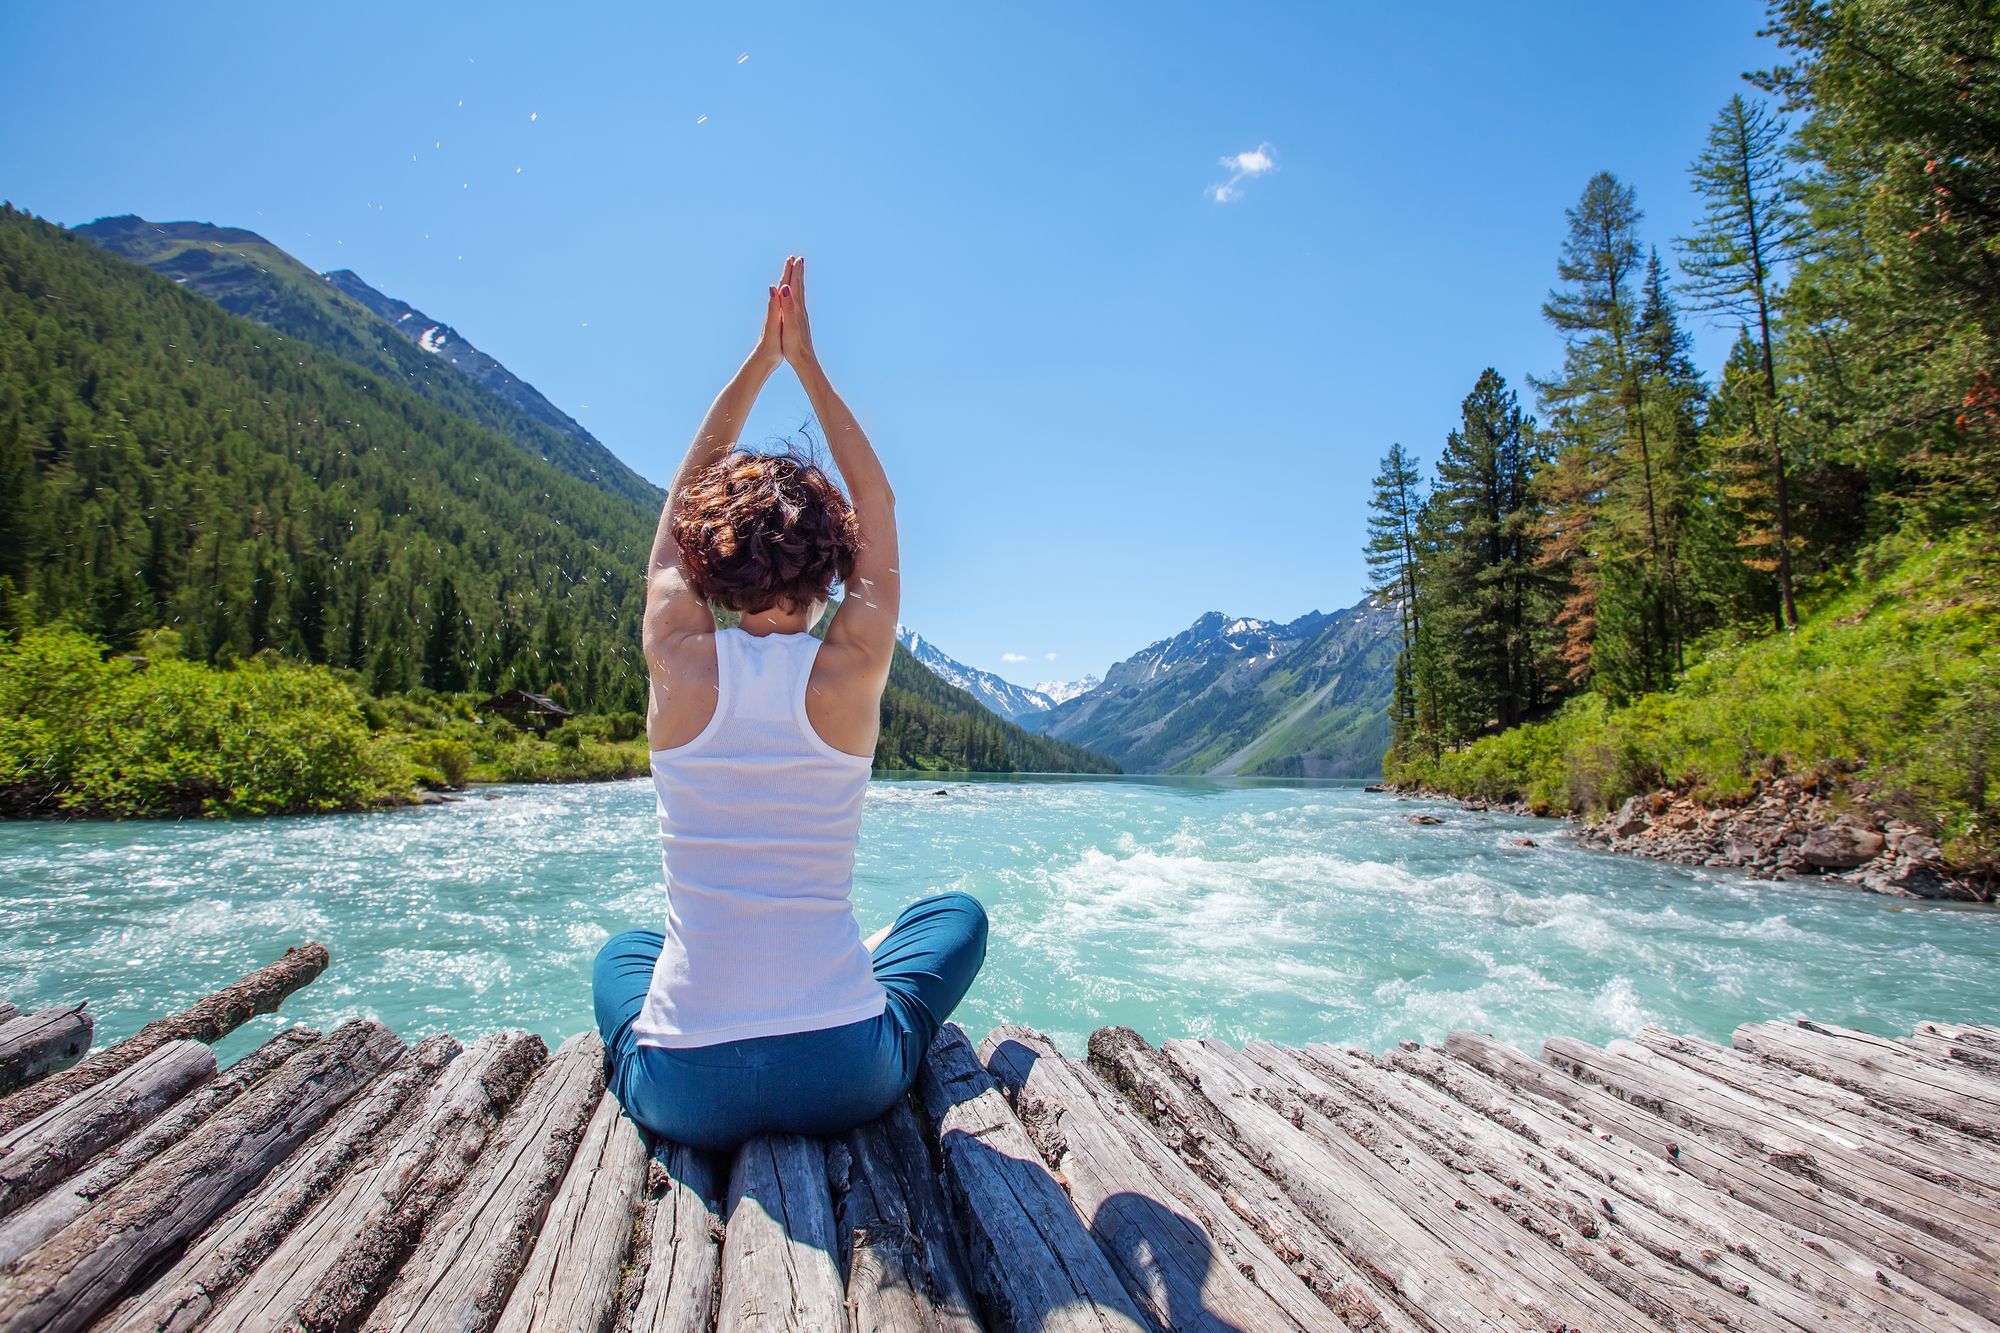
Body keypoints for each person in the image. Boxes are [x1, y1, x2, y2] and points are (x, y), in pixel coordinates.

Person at [592, 256, 987, 1152]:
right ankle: (859, 972)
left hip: (685, 1089)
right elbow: (878, 499)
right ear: (832, 564)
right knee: (958, 918)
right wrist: (808, 361)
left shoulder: (678, 657)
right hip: (842, 1075)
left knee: (623, 951)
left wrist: (760, 363)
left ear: (705, 562)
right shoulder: (849, 666)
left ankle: (671, 1035)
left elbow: (681, 494)